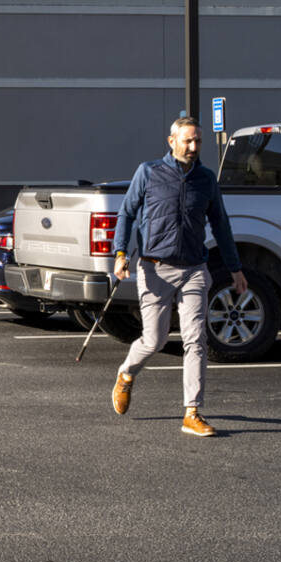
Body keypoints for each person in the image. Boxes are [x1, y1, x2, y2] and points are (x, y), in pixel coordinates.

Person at [110, 114, 248, 437]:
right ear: (172, 142)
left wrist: (235, 268)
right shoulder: (149, 172)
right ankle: (126, 374)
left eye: (197, 140)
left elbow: (222, 225)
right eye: (187, 140)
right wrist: (119, 254)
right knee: (155, 339)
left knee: (195, 339)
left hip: (194, 270)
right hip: (154, 268)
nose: (194, 146)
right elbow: (127, 213)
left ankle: (192, 412)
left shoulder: (206, 180)